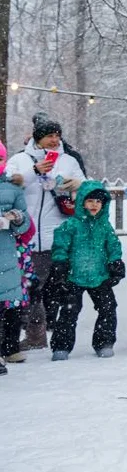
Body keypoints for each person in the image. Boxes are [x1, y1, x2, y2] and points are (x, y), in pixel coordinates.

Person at [7, 116, 85, 350]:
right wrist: (33, 171)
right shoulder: (20, 159)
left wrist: (73, 185)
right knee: (31, 290)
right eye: (49, 135)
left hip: (59, 237)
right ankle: (35, 336)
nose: (54, 140)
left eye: (57, 135)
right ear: (37, 138)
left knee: (61, 291)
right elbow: (9, 183)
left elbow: (85, 187)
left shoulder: (68, 161)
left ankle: (59, 339)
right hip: (27, 237)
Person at [48, 181, 123, 360]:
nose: (94, 205)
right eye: (90, 201)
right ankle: (61, 346)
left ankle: (103, 342)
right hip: (74, 276)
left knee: (108, 308)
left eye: (98, 202)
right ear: (82, 202)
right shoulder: (71, 225)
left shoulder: (105, 226)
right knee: (69, 311)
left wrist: (115, 262)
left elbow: (113, 246)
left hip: (100, 275)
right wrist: (60, 263)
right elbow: (60, 245)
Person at [0, 143, 30, 369]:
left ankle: (10, 347)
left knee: (11, 302)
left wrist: (17, 218)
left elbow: (26, 224)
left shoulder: (13, 189)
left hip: (7, 252)